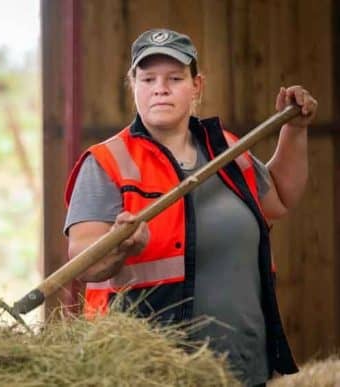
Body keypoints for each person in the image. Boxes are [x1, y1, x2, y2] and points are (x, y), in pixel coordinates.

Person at [63, 28, 317, 385]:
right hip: (149, 371)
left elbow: (279, 196)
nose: (160, 88)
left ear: (197, 85)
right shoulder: (107, 162)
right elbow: (81, 262)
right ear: (132, 84)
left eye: (175, 78)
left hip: (244, 366)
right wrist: (119, 247)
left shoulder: (225, 149)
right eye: (148, 78)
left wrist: (296, 129)